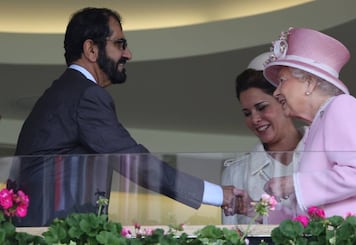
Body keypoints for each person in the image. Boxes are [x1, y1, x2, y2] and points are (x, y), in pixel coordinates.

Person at [12, 7, 247, 226]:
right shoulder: (86, 94)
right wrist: (218, 194)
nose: (128, 54)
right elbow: (135, 162)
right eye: (120, 44)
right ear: (91, 50)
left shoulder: (64, 91)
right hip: (53, 233)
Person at [262, 27, 356, 221]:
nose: (276, 92)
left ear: (309, 82)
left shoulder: (342, 106)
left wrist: (292, 183)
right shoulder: (319, 123)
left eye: (282, 81)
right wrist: (258, 210)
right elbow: (315, 201)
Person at [221, 52, 307, 224]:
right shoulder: (236, 172)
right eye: (247, 113)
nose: (254, 119)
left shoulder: (324, 154)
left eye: (262, 107)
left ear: (283, 101)